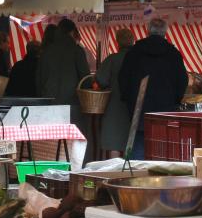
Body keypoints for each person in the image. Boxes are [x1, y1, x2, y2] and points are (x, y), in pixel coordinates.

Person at [118, 18, 188, 158]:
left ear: (148, 31)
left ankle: (136, 172)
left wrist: (128, 100)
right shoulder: (173, 53)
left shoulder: (134, 52)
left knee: (138, 148)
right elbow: (182, 81)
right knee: (163, 149)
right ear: (165, 32)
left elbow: (123, 78)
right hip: (165, 109)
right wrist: (175, 100)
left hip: (139, 110)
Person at [37, 19, 91, 132]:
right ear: (72, 32)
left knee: (53, 137)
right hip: (72, 104)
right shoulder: (77, 50)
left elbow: (40, 79)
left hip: (50, 103)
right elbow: (85, 79)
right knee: (74, 137)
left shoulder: (46, 51)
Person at [95, 29, 136, 157]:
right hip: (135, 105)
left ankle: (115, 169)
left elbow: (101, 80)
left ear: (117, 41)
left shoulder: (112, 59)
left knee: (115, 141)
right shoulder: (139, 58)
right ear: (133, 41)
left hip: (115, 105)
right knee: (134, 141)